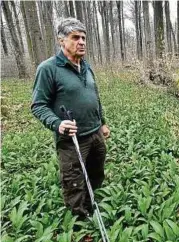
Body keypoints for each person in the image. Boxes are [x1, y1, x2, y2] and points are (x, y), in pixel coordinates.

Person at [31, 18, 110, 219]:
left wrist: (103, 122)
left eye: (83, 37)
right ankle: (79, 220)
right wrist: (58, 124)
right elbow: (38, 105)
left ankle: (92, 202)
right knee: (74, 180)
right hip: (72, 140)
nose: (81, 42)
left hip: (95, 134)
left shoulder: (86, 66)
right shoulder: (48, 69)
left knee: (96, 172)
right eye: (75, 37)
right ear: (61, 41)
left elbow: (95, 96)